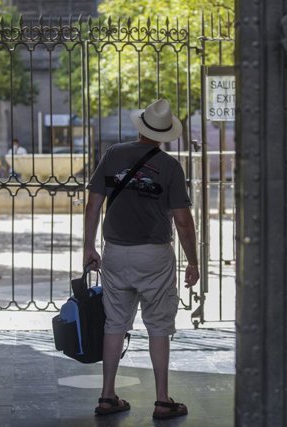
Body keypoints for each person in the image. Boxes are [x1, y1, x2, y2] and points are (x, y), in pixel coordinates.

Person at [84, 99, 200, 420]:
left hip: (116, 252)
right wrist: (193, 261)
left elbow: (93, 204)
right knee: (159, 326)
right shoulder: (171, 167)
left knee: (115, 323)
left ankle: (107, 396)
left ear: (141, 126)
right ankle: (163, 400)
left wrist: (88, 247)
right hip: (155, 255)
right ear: (164, 134)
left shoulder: (113, 155)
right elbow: (183, 221)